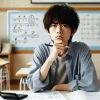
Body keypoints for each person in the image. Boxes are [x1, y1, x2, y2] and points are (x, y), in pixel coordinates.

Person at [26, 4, 99, 92]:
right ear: (47, 31)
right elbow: (32, 85)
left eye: (64, 25)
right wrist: (51, 58)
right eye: (54, 25)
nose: (59, 31)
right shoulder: (41, 49)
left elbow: (92, 84)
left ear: (73, 31)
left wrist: (60, 87)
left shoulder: (81, 49)